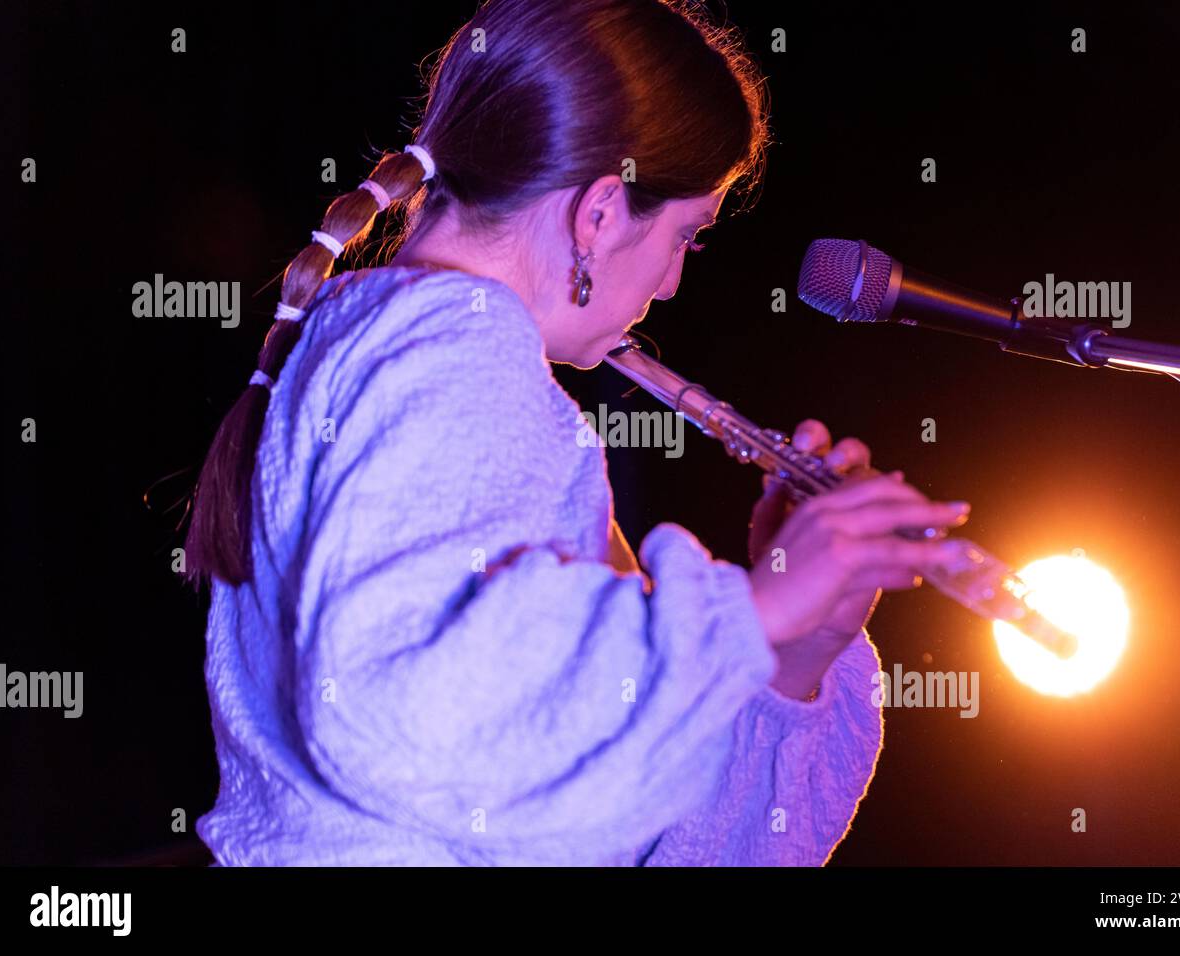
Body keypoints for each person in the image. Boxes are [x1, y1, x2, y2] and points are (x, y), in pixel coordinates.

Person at [183, 0, 973, 866]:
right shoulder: (453, 349)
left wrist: (797, 644)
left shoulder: (399, 349)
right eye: (685, 239)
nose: (669, 285)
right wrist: (753, 609)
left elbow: (642, 837)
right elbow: (393, 708)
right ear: (598, 214)